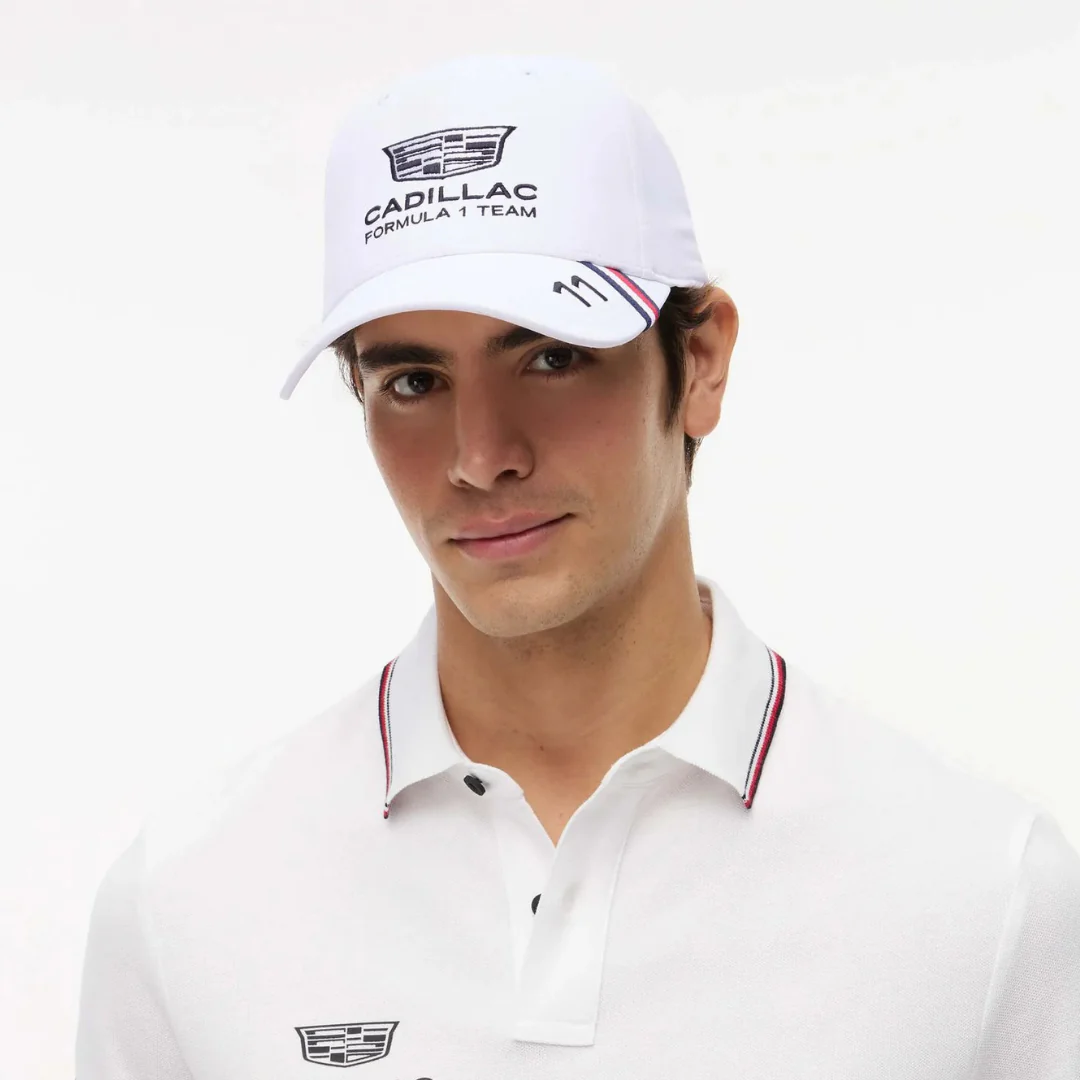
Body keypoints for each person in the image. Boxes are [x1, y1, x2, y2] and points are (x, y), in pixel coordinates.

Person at [75, 54, 1080, 1078]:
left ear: (700, 362)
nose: (481, 456)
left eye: (552, 357)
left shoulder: (975, 897)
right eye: (414, 380)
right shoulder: (190, 907)